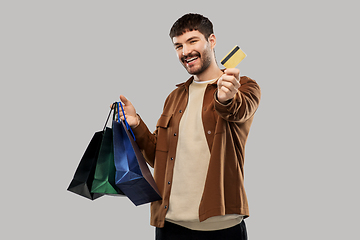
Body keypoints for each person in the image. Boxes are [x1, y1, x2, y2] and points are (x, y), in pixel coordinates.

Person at [116, 13, 261, 240]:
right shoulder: (174, 97)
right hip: (170, 224)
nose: (185, 52)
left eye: (193, 41)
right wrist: (136, 124)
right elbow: (157, 158)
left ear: (211, 41)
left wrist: (226, 98)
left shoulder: (243, 86)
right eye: (178, 46)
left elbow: (238, 109)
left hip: (221, 226)